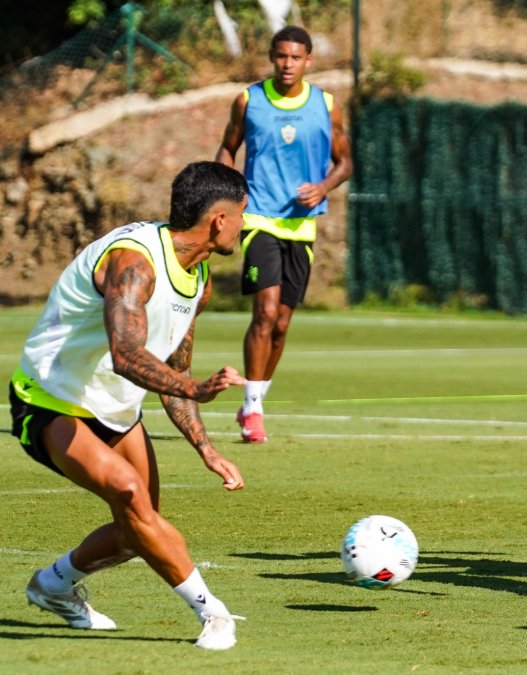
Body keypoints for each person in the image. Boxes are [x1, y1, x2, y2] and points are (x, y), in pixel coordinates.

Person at [8, 161, 250, 650]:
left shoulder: (198, 279)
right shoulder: (134, 263)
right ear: (219, 220)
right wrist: (196, 389)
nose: (244, 226)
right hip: (51, 399)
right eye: (243, 214)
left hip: (117, 409)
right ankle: (214, 614)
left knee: (138, 529)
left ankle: (52, 585)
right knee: (130, 495)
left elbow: (173, 370)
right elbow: (127, 355)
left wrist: (206, 448)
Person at [215, 24, 353, 444]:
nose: (287, 64)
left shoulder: (326, 106)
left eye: (295, 57)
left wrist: (323, 187)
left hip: (301, 226)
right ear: (271, 58)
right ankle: (254, 409)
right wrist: (227, 196)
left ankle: (254, 400)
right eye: (280, 56)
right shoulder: (249, 101)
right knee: (266, 311)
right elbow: (227, 149)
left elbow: (345, 162)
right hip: (258, 219)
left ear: (308, 60)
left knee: (281, 324)